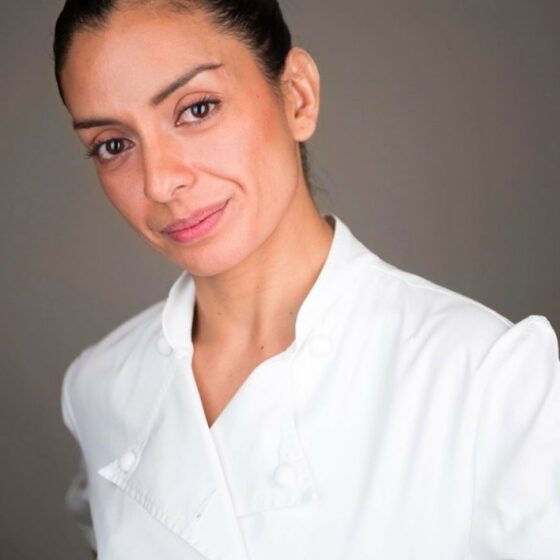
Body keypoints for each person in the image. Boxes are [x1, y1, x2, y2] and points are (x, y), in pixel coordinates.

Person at [53, 1, 560, 559]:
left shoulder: (487, 377)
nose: (159, 181)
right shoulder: (100, 387)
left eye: (197, 109)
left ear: (297, 96)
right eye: (113, 144)